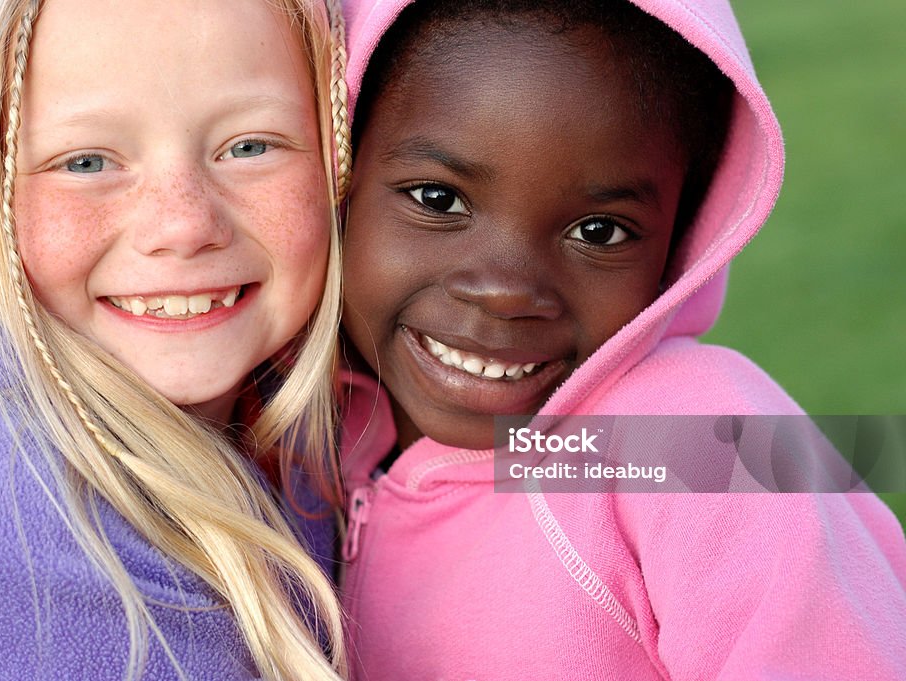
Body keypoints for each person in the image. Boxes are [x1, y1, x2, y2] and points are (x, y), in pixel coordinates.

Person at [337, 0, 906, 678]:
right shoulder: (304, 431)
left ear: (682, 245)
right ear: (338, 175)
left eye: (599, 232)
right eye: (437, 199)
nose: (506, 290)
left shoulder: (703, 444)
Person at [0, 0, 351, 678]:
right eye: (86, 161)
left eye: (249, 146)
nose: (184, 224)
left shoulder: (307, 400)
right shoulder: (29, 528)